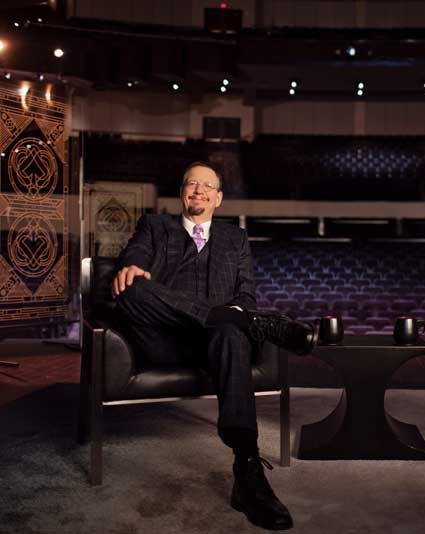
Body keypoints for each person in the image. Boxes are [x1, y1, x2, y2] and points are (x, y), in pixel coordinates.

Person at [112, 161, 314, 530]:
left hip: (218, 346)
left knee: (230, 329)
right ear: (182, 192)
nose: (199, 190)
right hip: (165, 341)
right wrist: (132, 266)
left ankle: (248, 468)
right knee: (131, 289)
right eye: (192, 183)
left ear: (219, 198)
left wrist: (234, 314)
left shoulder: (235, 239)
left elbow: (246, 294)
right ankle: (241, 322)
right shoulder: (155, 226)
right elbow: (135, 255)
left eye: (208, 186)